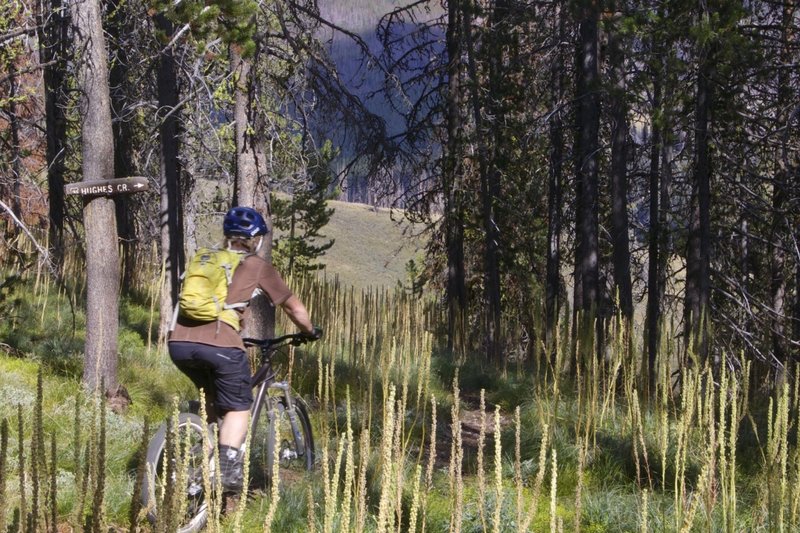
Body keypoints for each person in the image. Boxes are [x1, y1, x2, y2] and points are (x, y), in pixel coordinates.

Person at [168, 206, 320, 492]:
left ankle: (203, 458)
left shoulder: (205, 258)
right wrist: (309, 331)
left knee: (213, 400)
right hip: (220, 344)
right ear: (256, 239)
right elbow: (293, 306)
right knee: (239, 407)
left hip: (178, 343)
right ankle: (226, 472)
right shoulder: (255, 265)